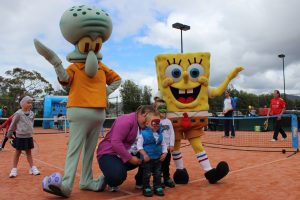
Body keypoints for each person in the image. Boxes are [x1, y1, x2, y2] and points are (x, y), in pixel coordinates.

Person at [96, 105, 155, 191]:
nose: (150, 123)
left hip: (128, 152)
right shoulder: (126, 120)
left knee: (152, 153)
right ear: (145, 115)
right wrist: (130, 158)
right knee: (116, 176)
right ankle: (109, 178)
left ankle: (141, 180)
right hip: (109, 153)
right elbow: (116, 142)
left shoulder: (145, 126)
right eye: (150, 120)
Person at [7, 96, 40, 178]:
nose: (30, 104)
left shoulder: (32, 113)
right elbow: (13, 124)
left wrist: (31, 132)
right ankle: (14, 169)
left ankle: (32, 168)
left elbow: (31, 123)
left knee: (29, 152)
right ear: (22, 103)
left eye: (31, 103)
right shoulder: (18, 114)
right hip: (20, 137)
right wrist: (9, 134)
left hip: (29, 137)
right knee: (17, 153)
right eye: (28, 102)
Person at [137, 111, 167, 197]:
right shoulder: (143, 134)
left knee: (158, 173)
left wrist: (164, 153)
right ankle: (146, 187)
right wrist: (145, 155)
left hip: (157, 158)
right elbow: (139, 146)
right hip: (147, 159)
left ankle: (157, 186)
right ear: (147, 123)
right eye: (154, 122)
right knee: (147, 174)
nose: (157, 125)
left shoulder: (160, 134)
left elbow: (163, 144)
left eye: (158, 123)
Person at [156, 102, 176, 188]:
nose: (163, 114)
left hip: (167, 148)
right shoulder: (155, 121)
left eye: (164, 112)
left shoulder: (168, 122)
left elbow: (172, 133)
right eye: (161, 112)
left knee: (166, 163)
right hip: (158, 148)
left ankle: (166, 178)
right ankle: (158, 180)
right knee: (158, 164)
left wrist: (171, 145)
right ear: (157, 112)